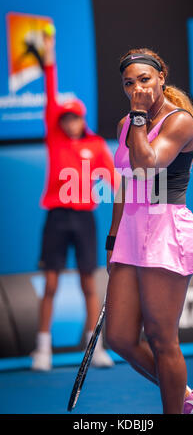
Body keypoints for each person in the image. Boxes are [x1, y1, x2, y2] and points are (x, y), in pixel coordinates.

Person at [104, 48, 193, 414]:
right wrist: (112, 240)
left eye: (144, 79)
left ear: (161, 77)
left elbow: (146, 164)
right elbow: (126, 183)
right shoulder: (127, 124)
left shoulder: (179, 121)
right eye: (129, 83)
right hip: (130, 233)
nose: (136, 87)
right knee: (120, 337)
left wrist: (139, 116)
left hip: (166, 229)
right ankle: (189, 400)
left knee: (161, 338)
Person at [31, 30, 120, 370]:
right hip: (56, 216)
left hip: (84, 218)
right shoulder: (54, 138)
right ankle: (42, 349)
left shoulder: (97, 145)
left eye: (75, 117)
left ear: (82, 118)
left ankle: (94, 348)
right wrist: (49, 62)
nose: (69, 122)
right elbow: (50, 97)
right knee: (51, 283)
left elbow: (113, 180)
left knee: (87, 283)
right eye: (65, 118)